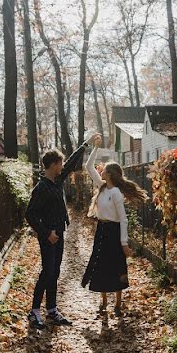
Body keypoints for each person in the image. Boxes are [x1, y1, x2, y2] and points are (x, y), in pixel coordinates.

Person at [81, 134, 148, 316]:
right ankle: (103, 301)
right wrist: (95, 147)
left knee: (117, 265)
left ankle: (118, 303)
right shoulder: (102, 187)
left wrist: (124, 243)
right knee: (101, 265)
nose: (100, 171)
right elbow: (88, 167)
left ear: (109, 174)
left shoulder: (116, 193)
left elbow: (123, 219)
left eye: (103, 170)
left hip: (114, 232)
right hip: (101, 230)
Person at [24, 141, 88, 328]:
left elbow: (70, 163)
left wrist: (84, 146)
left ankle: (51, 310)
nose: (62, 166)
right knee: (47, 272)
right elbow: (30, 214)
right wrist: (46, 233)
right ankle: (34, 311)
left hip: (59, 233)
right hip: (48, 236)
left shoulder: (57, 181)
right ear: (53, 165)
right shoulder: (41, 188)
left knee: (55, 272)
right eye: (59, 163)